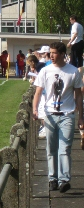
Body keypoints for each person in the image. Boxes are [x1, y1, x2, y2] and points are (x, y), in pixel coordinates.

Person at [33, 42, 84, 193]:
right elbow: (38, 92)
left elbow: (78, 95)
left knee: (65, 148)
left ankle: (64, 179)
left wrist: (81, 117)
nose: (51, 56)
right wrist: (35, 109)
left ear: (62, 54)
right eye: (51, 53)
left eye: (54, 53)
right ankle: (52, 178)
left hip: (67, 115)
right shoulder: (45, 71)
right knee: (51, 148)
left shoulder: (73, 72)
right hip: (50, 114)